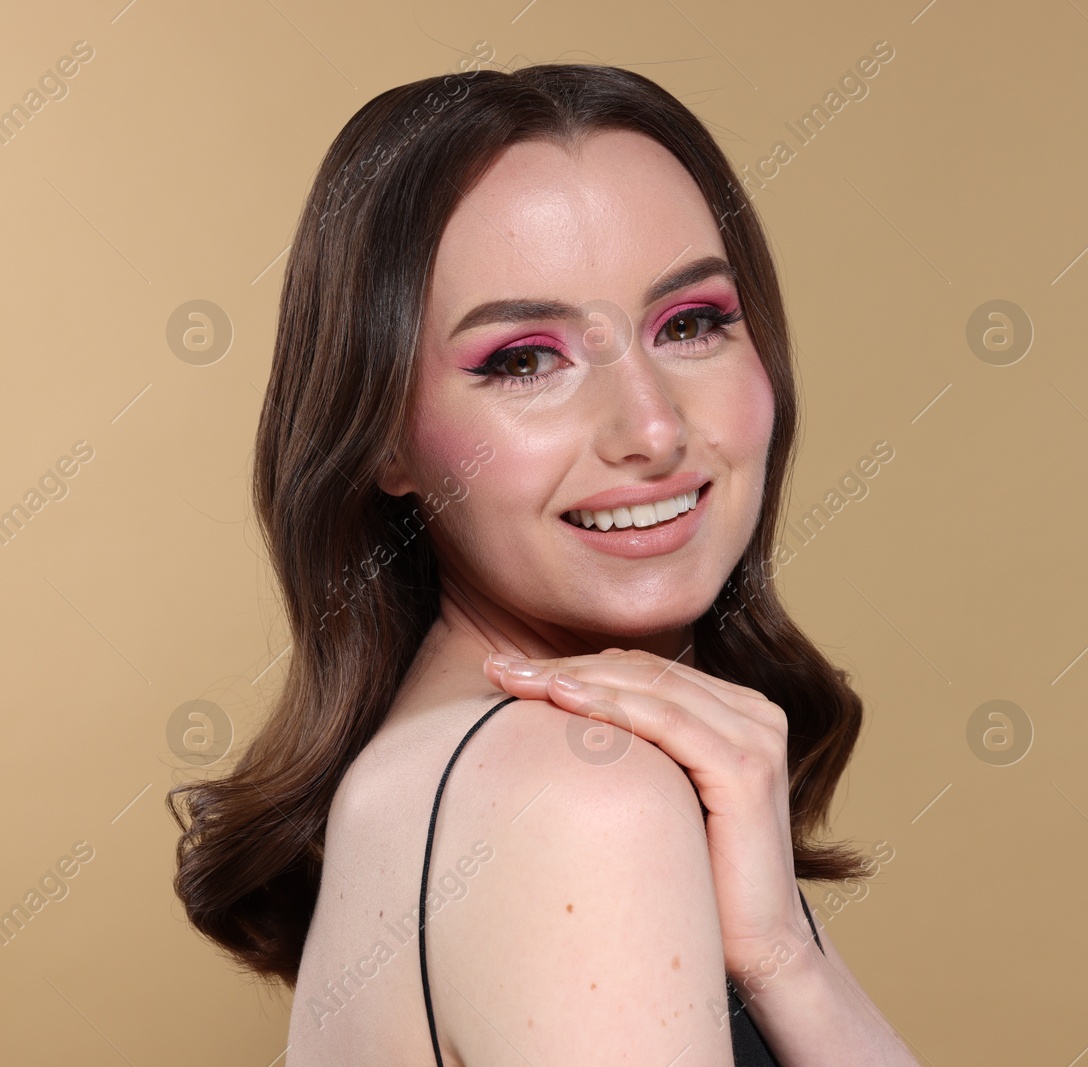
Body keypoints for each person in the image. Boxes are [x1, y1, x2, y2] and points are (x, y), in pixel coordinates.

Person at [165, 62, 919, 1066]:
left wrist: (787, 959)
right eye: (523, 358)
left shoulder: (452, 766)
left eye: (691, 324)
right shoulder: (573, 796)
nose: (650, 428)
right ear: (381, 435)